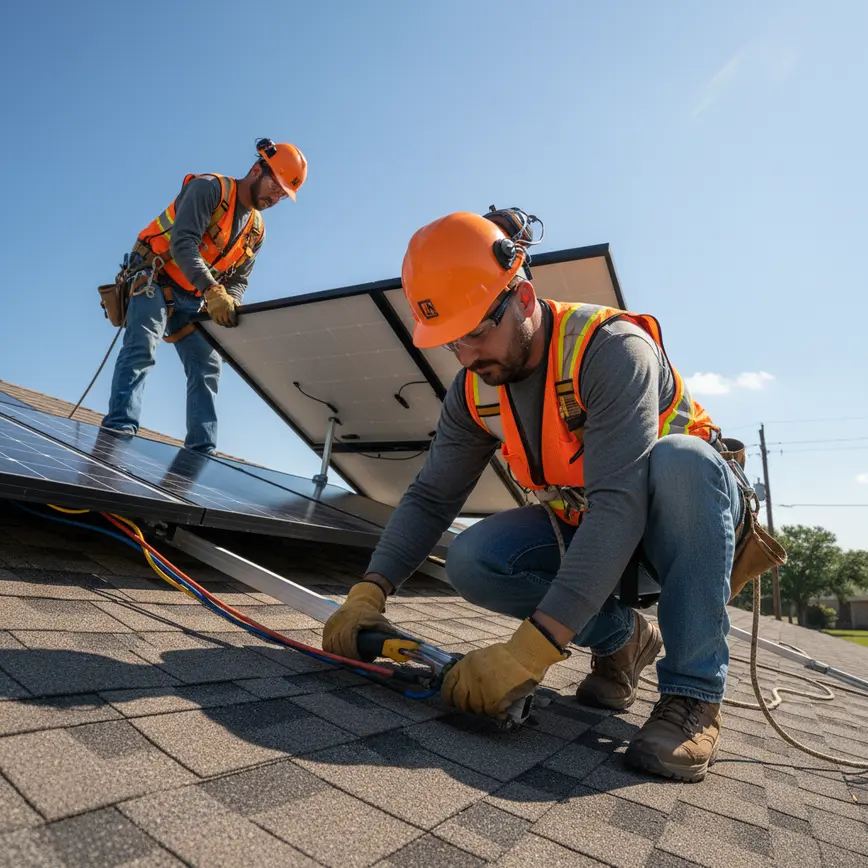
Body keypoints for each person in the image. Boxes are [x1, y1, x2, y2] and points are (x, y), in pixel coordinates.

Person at [322, 207, 756, 783]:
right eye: (453, 342)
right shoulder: (474, 388)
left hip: (686, 529)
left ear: (523, 299)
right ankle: (626, 641)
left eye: (477, 331)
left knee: (682, 461)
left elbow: (621, 504)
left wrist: (531, 651)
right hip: (601, 536)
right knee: (476, 560)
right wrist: (367, 592)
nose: (469, 355)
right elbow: (431, 497)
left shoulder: (609, 349)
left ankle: (694, 695)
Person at [101, 139, 307, 454]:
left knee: (208, 365)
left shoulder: (256, 230)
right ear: (255, 170)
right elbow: (182, 244)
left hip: (193, 295)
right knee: (142, 345)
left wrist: (230, 303)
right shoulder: (209, 189)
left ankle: (201, 452)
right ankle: (118, 433)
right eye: (274, 186)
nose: (275, 197)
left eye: (282, 194)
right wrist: (212, 291)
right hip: (154, 275)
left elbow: (239, 279)